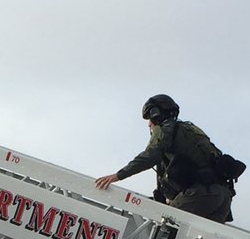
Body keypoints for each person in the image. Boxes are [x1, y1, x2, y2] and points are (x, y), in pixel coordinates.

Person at [95, 94, 242, 223]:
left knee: (165, 226)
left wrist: (118, 175)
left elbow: (151, 155)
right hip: (223, 196)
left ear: (156, 114)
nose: (149, 124)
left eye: (150, 118)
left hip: (202, 193)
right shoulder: (190, 130)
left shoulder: (166, 129)